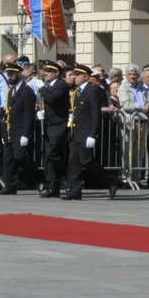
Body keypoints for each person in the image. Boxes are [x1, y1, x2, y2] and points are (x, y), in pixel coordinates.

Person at [62, 63, 113, 200]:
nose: (75, 77)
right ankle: (75, 191)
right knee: (73, 163)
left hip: (85, 133)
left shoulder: (92, 90)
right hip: (74, 132)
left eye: (78, 75)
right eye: (75, 74)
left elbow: (95, 114)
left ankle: (110, 182)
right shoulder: (77, 91)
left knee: (87, 162)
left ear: (86, 77)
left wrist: (92, 135)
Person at [0, 60, 36, 195]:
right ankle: (10, 186)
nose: (10, 76)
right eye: (8, 74)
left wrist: (25, 134)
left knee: (19, 157)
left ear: (19, 74)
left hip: (20, 130)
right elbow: (5, 111)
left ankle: (36, 176)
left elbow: (29, 114)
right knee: (8, 159)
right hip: (8, 130)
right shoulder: (10, 91)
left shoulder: (27, 91)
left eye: (12, 74)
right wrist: (2, 133)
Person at [37, 61, 69, 197]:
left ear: (56, 73)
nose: (46, 74)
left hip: (58, 124)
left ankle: (64, 176)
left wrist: (43, 90)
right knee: (48, 158)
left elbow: (53, 99)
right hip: (48, 125)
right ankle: (52, 186)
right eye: (46, 71)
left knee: (52, 154)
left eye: (49, 71)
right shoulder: (49, 86)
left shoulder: (60, 85)